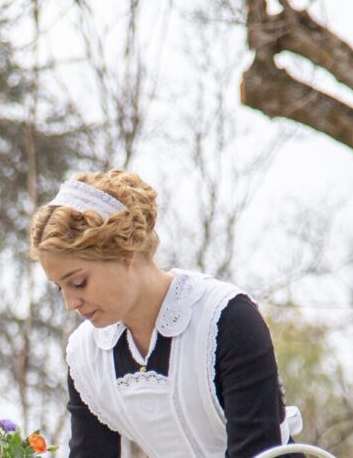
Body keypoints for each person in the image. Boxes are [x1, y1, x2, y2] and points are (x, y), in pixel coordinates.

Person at [29, 170, 303, 457]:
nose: (70, 303)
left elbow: (256, 450)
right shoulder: (86, 354)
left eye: (78, 282)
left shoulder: (226, 319)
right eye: (59, 288)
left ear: (123, 252)